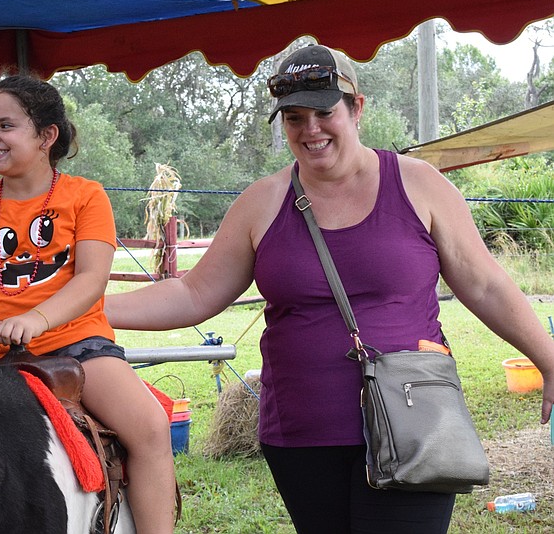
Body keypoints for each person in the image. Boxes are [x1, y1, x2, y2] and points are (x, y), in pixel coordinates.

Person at [105, 44, 554, 533]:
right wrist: (86, 308)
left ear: (356, 107)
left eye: (324, 112)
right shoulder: (263, 201)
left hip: (415, 422)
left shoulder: (419, 184)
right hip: (301, 435)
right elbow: (194, 294)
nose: (311, 130)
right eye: (295, 118)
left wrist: (549, 361)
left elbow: (485, 284)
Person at [0, 74, 176, 533]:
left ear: (47, 135)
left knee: (148, 427)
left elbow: (91, 279)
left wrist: (37, 319)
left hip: (76, 344)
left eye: (5, 125)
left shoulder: (85, 196)